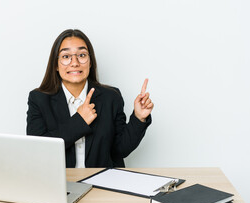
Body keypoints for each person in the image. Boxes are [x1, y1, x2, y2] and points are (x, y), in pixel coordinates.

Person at [26, 29, 154, 168]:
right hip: (60, 183)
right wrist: (80, 121)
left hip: (103, 182)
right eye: (66, 56)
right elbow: (39, 150)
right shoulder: (38, 99)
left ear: (90, 62)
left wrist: (139, 118)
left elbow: (120, 150)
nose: (74, 63)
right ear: (56, 64)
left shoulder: (111, 97)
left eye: (82, 55)